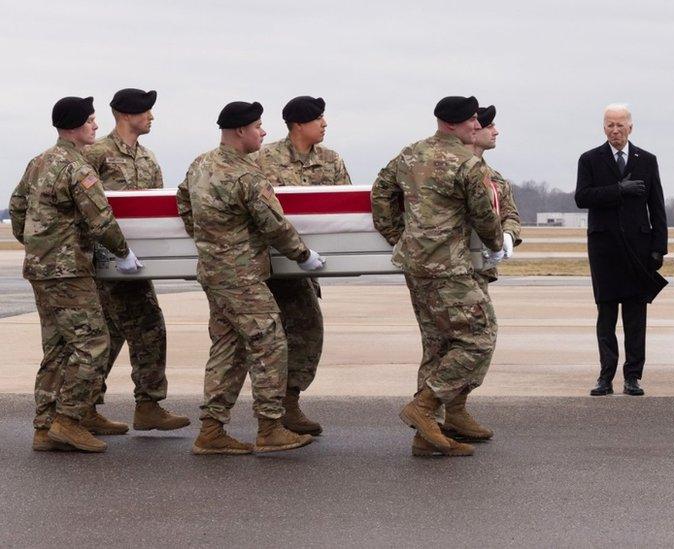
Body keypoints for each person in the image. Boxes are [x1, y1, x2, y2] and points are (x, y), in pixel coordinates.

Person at [176, 101, 324, 455]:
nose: (264, 132)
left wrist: (208, 238)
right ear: (241, 131)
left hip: (213, 270)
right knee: (270, 342)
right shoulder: (247, 175)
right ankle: (271, 427)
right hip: (242, 275)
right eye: (258, 126)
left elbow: (182, 200)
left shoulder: (201, 164)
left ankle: (211, 430)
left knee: (228, 348)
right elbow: (275, 226)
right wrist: (304, 256)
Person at [371, 95, 503, 458]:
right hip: (448, 266)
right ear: (452, 125)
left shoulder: (411, 153)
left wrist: (397, 235)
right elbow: (484, 216)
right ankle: (425, 406)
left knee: (437, 345)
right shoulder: (466, 163)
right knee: (479, 338)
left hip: (415, 265)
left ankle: (424, 436)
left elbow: (381, 190)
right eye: (471, 121)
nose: (476, 126)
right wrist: (496, 245)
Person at [8, 96, 142, 452]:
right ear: (77, 125)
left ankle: (44, 426)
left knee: (58, 347)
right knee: (94, 343)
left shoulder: (39, 162)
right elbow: (100, 219)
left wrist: (38, 243)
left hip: (40, 269)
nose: (96, 127)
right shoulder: (78, 167)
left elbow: (17, 207)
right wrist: (124, 252)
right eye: (92, 121)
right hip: (69, 272)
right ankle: (68, 421)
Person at [83, 88, 190, 433]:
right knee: (139, 328)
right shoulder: (96, 155)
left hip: (138, 264)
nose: (151, 116)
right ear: (126, 114)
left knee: (121, 332)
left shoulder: (147, 158)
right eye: (146, 110)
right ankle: (134, 405)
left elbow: (157, 212)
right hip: (105, 262)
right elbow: (83, 205)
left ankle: (101, 406)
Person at [255, 95, 351, 436]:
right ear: (299, 124)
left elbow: (344, 209)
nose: (324, 124)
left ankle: (288, 402)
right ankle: (269, 409)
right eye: (318, 119)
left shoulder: (331, 160)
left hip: (308, 265)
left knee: (307, 330)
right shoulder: (263, 159)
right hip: (268, 264)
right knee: (266, 337)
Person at [425, 104, 521, 445]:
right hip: (447, 268)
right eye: (488, 124)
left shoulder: (493, 176)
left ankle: (454, 410)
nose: (494, 131)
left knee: (469, 342)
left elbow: (509, 214)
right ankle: (429, 416)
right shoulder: (445, 168)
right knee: (449, 343)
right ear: (471, 129)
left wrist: (507, 236)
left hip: (476, 272)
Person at [574, 103, 668, 397]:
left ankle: (633, 376)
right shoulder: (590, 159)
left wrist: (659, 248)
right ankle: (605, 376)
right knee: (606, 316)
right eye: (610, 125)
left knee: (635, 316)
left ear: (631, 127)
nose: (615, 130)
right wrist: (619, 190)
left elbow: (658, 207)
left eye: (620, 125)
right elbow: (582, 197)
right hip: (605, 249)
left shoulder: (647, 160)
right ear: (604, 128)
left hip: (639, 249)